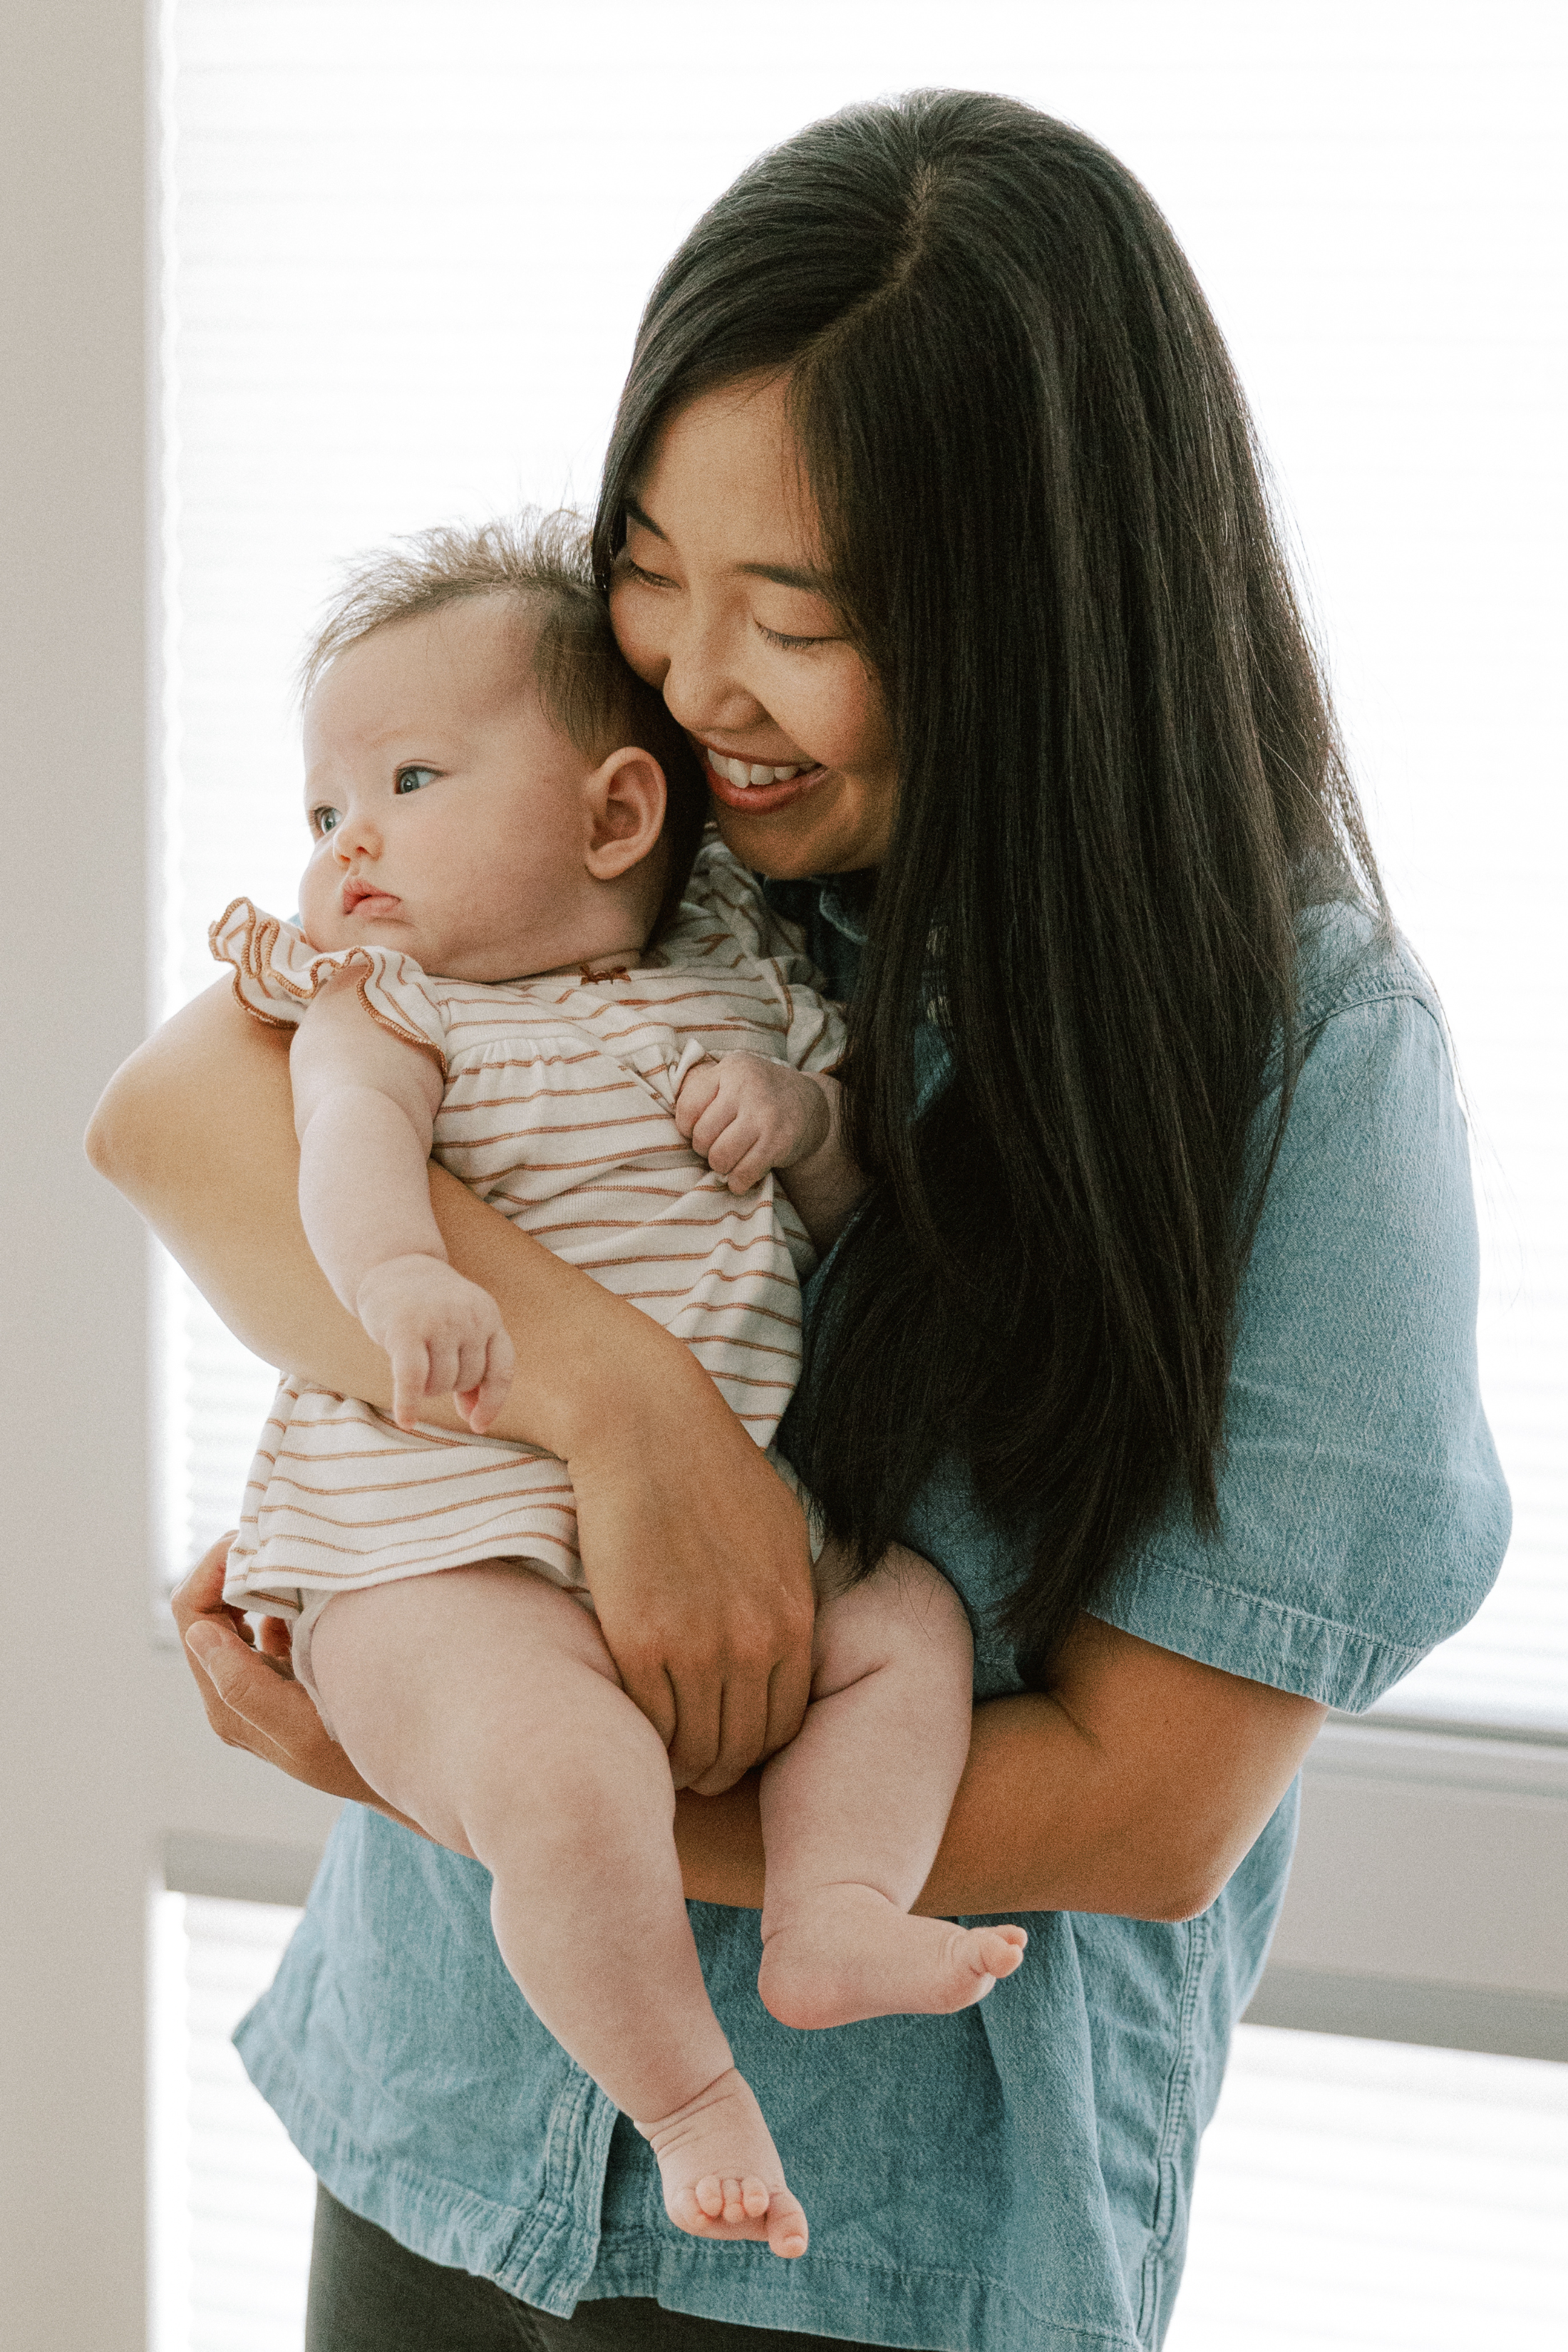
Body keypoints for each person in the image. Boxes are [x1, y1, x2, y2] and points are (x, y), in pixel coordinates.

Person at [88, 91, 1510, 2352]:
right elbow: (184, 1109)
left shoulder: (1307, 1057)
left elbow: (1147, 1813)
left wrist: (486, 1789)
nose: (681, 671)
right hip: (443, 2119)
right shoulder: (635, 829)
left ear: (1045, 600)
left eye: (798, 611)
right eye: (649, 560)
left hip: (877, 2251)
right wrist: (629, 1410)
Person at [205, 515, 1024, 2261]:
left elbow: (855, 1205)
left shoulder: (740, 985)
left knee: (906, 1633)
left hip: (726, 1525)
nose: (348, 844)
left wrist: (800, 1130)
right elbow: (345, 1146)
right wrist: (403, 1274)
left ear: (613, 816)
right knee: (562, 1776)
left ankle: (831, 1905)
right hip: (438, 1554)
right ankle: (687, 2097)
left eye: (406, 782)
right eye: (323, 811)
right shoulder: (389, 1001)